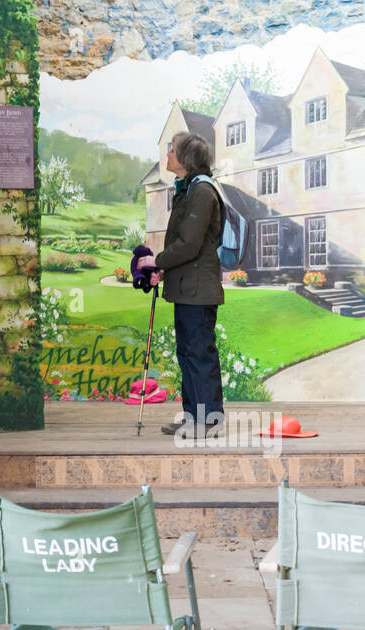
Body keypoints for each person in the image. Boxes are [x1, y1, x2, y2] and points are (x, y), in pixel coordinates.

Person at [136, 132, 225, 439]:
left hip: (198, 291)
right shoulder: (189, 190)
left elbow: (189, 245)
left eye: (172, 151)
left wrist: (156, 262)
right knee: (188, 353)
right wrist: (165, 271)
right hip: (189, 287)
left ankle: (209, 421)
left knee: (199, 354)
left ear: (186, 158)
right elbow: (187, 246)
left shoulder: (201, 191)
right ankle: (193, 418)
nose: (167, 156)